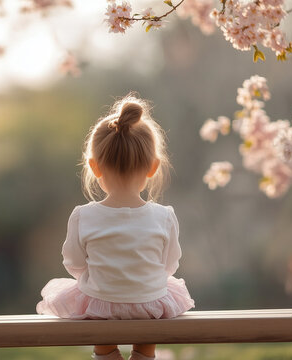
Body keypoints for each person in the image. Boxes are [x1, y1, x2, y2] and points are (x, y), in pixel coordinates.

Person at [36, 94, 195, 360]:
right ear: (153, 167)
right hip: (149, 304)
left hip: (101, 303)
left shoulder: (82, 216)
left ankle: (106, 353)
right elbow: (169, 266)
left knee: (95, 311)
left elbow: (73, 263)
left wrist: (105, 276)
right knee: (152, 318)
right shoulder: (164, 216)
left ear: (94, 167)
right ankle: (144, 354)